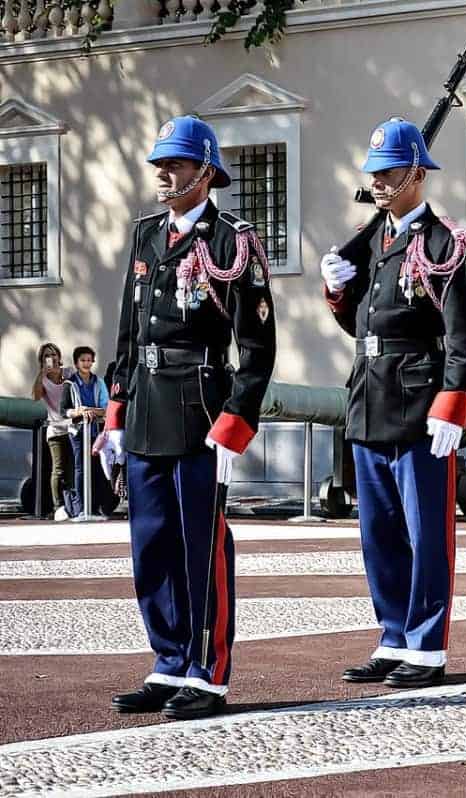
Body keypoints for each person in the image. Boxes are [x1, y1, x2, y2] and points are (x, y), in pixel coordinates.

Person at [97, 115, 277, 720]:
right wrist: (115, 412)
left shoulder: (232, 241)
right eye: (159, 163)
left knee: (201, 545)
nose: (162, 173)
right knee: (151, 545)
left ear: (205, 171)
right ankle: (168, 659)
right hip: (147, 401)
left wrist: (236, 421)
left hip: (199, 406)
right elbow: (128, 329)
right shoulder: (146, 235)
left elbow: (257, 347)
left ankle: (208, 672)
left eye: (174, 163)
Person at [321, 118, 466, 689]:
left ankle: (427, 645)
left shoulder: (446, 243)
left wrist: (454, 401)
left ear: (417, 173)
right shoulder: (374, 241)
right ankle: (393, 633)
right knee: (381, 532)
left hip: (420, 404)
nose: (380, 182)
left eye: (390, 172)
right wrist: (338, 291)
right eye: (375, 174)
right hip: (370, 398)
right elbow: (364, 324)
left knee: (425, 532)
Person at [62, 346, 115, 517]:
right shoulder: (69, 383)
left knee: (97, 468)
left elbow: (106, 407)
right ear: (77, 363)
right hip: (78, 432)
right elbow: (65, 410)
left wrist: (92, 410)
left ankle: (97, 505)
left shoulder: (98, 382)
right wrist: (79, 411)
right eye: (82, 360)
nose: (86, 363)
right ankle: (80, 507)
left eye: (89, 360)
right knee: (80, 469)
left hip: (96, 432)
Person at [31, 343, 74, 520]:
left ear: (59, 355)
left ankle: (73, 504)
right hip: (55, 429)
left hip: (72, 427)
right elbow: (35, 397)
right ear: (42, 360)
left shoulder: (69, 372)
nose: (52, 358)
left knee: (73, 469)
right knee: (58, 469)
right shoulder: (43, 379)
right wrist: (42, 373)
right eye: (47, 355)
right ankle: (58, 506)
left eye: (54, 354)